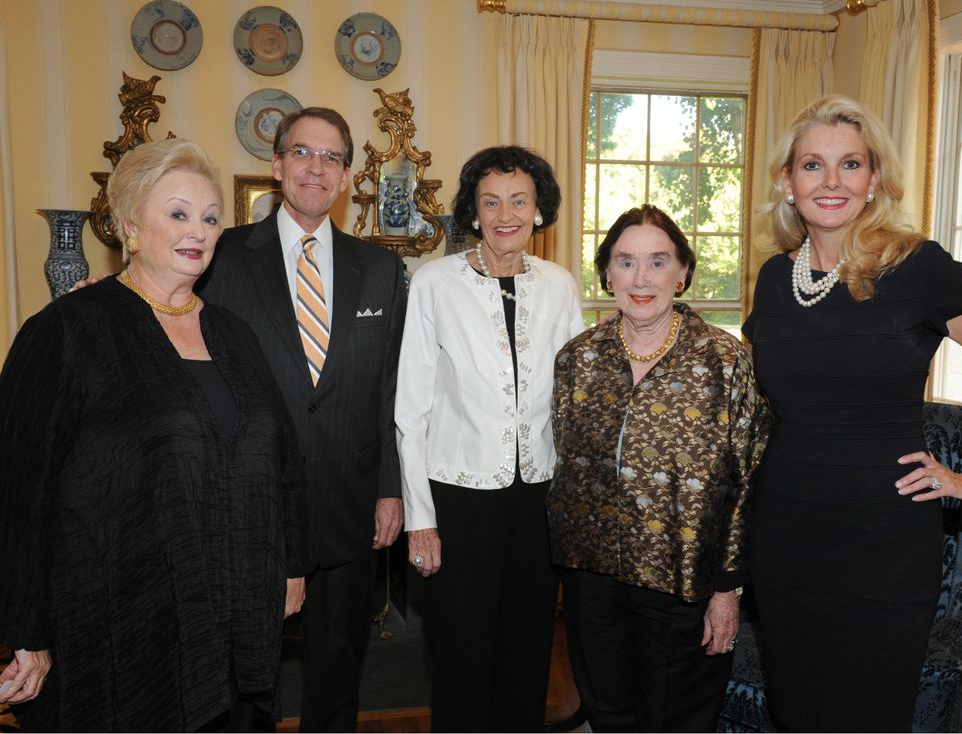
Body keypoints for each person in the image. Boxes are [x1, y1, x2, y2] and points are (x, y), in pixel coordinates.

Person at [0, 139, 310, 731]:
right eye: (178, 213)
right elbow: (18, 491)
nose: (198, 230)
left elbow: (282, 460)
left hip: (236, 610)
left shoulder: (233, 334)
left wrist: (291, 565)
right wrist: (24, 631)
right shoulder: (67, 330)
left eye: (211, 217)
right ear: (128, 224)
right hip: (116, 623)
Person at [743, 94, 962, 731]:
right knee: (799, 712)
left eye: (851, 165)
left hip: (885, 545)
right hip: (786, 537)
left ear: (874, 179)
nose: (832, 181)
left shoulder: (919, 267)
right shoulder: (772, 279)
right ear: (787, 182)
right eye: (813, 165)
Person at [196, 107, 407, 733]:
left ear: (346, 176)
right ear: (277, 163)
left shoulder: (382, 269)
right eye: (302, 153)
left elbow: (392, 388)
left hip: (350, 498)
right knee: (248, 671)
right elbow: (162, 311)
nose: (316, 167)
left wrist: (390, 487)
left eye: (331, 157)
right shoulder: (221, 255)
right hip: (251, 503)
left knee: (338, 664)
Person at [547, 204, 771, 732]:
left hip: (686, 581)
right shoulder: (578, 359)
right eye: (625, 262)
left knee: (675, 721)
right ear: (606, 273)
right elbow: (565, 463)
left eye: (657, 261)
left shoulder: (724, 361)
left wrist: (728, 589)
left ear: (683, 271)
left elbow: (747, 477)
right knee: (609, 715)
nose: (641, 279)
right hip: (592, 576)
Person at [395, 145, 584, 731]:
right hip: (460, 496)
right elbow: (411, 408)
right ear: (473, 213)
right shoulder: (434, 283)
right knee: (461, 645)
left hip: (538, 500)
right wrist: (419, 519)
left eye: (519, 200)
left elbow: (577, 394)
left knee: (529, 645)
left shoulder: (559, 285)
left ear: (538, 210)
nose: (506, 213)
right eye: (491, 201)